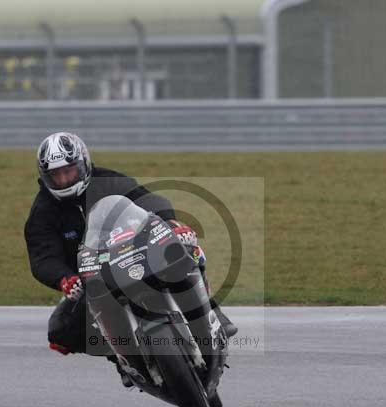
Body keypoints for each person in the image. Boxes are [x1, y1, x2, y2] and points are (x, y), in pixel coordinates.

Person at [24, 131, 237, 363]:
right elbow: (42, 257)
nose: (64, 179)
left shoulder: (107, 180)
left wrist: (171, 222)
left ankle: (210, 314)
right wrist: (64, 278)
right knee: (60, 330)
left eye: (69, 171)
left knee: (185, 250)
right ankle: (123, 359)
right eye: (56, 175)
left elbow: (145, 199)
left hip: (134, 252)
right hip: (89, 277)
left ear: (83, 164)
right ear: (45, 176)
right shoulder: (42, 212)